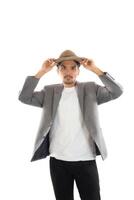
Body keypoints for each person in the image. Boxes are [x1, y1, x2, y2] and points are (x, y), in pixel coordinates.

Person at [18, 50, 123, 200]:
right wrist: (41, 71)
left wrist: (95, 69)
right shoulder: (49, 92)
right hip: (58, 161)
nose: (68, 72)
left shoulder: (91, 89)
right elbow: (24, 97)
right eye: (63, 68)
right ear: (58, 71)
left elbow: (117, 91)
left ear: (78, 71)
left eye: (73, 68)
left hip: (86, 160)